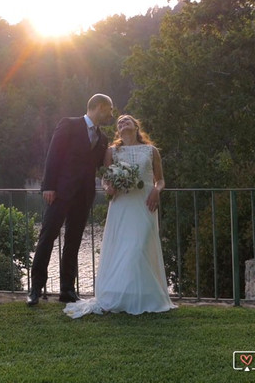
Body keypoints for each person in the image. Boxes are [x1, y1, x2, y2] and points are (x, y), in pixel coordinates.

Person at [63, 114, 177, 318]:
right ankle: (124, 296)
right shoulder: (111, 151)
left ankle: (145, 297)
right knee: (124, 248)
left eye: (127, 120)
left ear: (136, 125)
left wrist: (156, 191)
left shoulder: (151, 151)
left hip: (145, 203)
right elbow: (106, 179)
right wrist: (110, 188)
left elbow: (160, 180)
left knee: (140, 246)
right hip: (121, 204)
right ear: (118, 130)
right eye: (120, 122)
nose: (123, 123)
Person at [27, 94, 114, 306]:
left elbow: (103, 166)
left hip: (84, 196)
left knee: (73, 242)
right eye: (109, 110)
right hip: (60, 192)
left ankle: (67, 290)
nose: (111, 114)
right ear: (99, 107)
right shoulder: (69, 124)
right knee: (47, 237)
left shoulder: (103, 139)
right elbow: (53, 155)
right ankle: (36, 289)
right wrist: (48, 186)